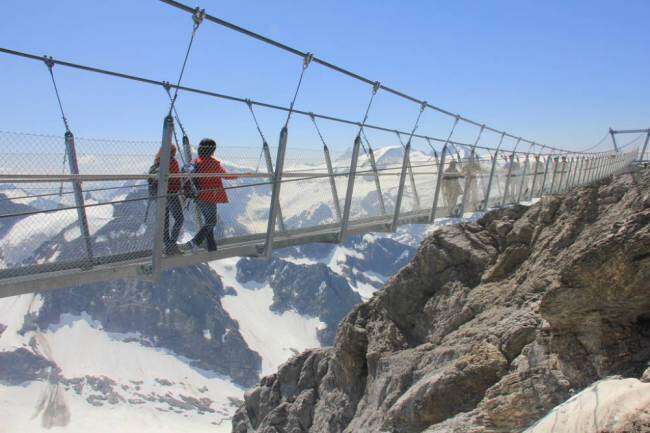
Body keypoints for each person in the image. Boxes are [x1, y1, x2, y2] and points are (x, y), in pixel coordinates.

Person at [181, 138, 236, 252]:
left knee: (208, 221)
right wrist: (242, 175)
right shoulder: (212, 164)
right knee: (211, 222)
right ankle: (194, 242)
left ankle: (211, 246)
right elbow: (227, 176)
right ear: (212, 150)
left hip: (198, 195)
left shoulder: (195, 162)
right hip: (210, 196)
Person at [148, 144, 184, 255]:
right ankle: (171, 245)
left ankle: (168, 245)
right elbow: (175, 178)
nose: (174, 154)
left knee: (165, 222)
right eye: (173, 152)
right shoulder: (172, 162)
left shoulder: (157, 162)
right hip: (171, 194)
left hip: (159, 196)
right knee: (179, 218)